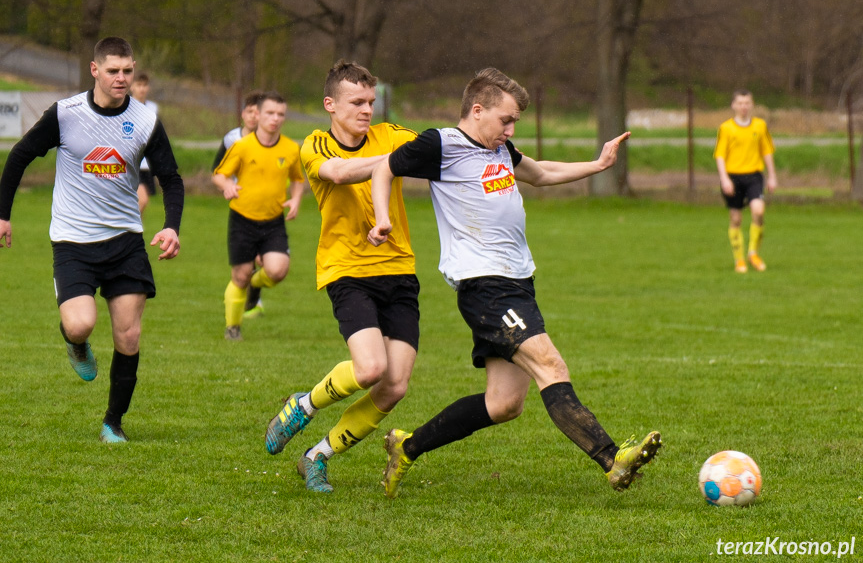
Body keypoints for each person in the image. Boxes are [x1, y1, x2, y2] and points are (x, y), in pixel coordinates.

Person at [367, 67, 661, 499]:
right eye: (506, 120)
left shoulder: (499, 149)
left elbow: (540, 173)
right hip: (485, 286)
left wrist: (598, 164)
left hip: (518, 282)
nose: (510, 129)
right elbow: (382, 170)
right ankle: (612, 458)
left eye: (515, 122)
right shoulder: (442, 143)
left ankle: (406, 448)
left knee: (504, 404)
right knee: (551, 366)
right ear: (478, 109)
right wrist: (384, 217)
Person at [0, 37, 184, 443]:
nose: (122, 78)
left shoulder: (146, 120)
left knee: (129, 335)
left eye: (128, 71)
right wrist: (3, 215)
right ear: (95, 69)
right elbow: (20, 155)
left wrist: (172, 225)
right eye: (113, 71)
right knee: (81, 324)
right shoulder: (66, 114)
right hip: (72, 241)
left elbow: (171, 178)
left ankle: (113, 423)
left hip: (125, 240)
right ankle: (75, 343)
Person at [263, 60, 419, 493]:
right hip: (347, 269)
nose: (366, 110)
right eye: (356, 102)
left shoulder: (392, 135)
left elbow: (439, 148)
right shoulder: (314, 145)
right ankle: (304, 405)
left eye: (371, 101)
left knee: (395, 386)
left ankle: (318, 456)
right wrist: (394, 161)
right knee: (370, 368)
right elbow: (340, 173)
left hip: (399, 271)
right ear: (330, 104)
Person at [211, 91, 304, 341]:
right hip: (242, 219)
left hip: (273, 221)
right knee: (239, 276)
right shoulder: (242, 147)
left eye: (280, 114)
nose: (275, 119)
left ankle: (256, 281)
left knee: (278, 270)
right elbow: (219, 174)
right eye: (270, 113)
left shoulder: (291, 148)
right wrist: (227, 186)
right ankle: (233, 327)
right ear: (258, 115)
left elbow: (297, 178)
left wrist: (295, 198)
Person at [211, 90, 267, 318]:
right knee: (252, 258)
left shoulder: (270, 140)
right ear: (243, 114)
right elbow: (217, 170)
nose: (254, 116)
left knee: (264, 259)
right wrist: (226, 186)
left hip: (266, 205)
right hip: (240, 205)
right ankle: (250, 303)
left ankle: (253, 300)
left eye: (259, 112)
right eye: (250, 111)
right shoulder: (231, 139)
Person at [714, 90, 777, 273]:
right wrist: (724, 179)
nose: (743, 106)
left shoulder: (760, 126)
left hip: (754, 176)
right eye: (740, 103)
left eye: (747, 103)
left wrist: (772, 176)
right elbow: (720, 156)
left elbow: (767, 151)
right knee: (736, 218)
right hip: (733, 177)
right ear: (733, 105)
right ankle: (739, 259)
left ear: (752, 105)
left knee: (758, 210)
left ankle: (753, 253)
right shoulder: (726, 128)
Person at [130, 72, 159, 213]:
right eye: (138, 85)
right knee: (142, 201)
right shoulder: (126, 107)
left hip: (147, 164)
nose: (142, 89)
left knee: (141, 204)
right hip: (132, 163)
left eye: (144, 85)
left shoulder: (153, 108)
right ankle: (129, 231)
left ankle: (133, 232)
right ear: (132, 87)